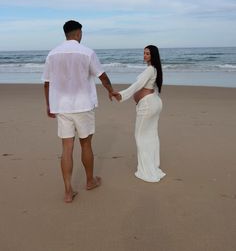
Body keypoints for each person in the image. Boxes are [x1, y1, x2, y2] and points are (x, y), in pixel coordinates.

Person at [42, 20, 114, 203]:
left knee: (67, 148)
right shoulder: (87, 52)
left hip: (62, 106)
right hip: (83, 105)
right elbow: (102, 76)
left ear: (65, 33)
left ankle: (68, 191)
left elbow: (47, 82)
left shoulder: (52, 54)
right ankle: (90, 181)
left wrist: (49, 105)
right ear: (78, 33)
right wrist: (110, 90)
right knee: (86, 145)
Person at [112, 45, 166, 182]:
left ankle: (146, 171)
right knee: (152, 135)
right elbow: (153, 87)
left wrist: (122, 95)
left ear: (153, 55)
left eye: (147, 53)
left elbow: (137, 85)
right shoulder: (156, 69)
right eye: (144, 53)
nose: (145, 55)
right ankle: (154, 166)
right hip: (155, 103)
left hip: (148, 105)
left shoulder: (149, 69)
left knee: (141, 137)